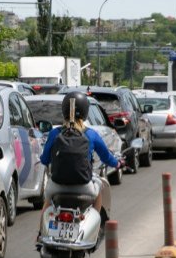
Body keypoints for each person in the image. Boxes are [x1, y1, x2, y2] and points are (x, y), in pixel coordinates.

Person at [37, 91, 122, 240]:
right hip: (84, 186)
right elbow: (107, 158)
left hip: (57, 186)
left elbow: (44, 160)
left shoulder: (54, 133)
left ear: (64, 110)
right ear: (85, 112)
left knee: (47, 203)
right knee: (98, 196)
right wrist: (118, 163)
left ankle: (40, 234)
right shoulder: (91, 135)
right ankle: (94, 234)